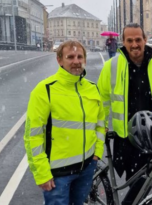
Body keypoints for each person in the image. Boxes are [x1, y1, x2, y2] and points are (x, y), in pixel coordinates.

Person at [97, 23, 152, 204]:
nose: (134, 44)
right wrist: (102, 126)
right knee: (137, 191)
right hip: (129, 139)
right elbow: (102, 101)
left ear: (145, 40)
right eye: (129, 40)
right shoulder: (111, 66)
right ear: (123, 42)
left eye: (138, 39)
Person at [23, 40, 105, 205]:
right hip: (57, 174)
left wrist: (97, 152)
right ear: (59, 60)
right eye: (70, 57)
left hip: (86, 168)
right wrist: (41, 173)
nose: (76, 61)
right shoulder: (45, 90)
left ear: (85, 60)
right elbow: (33, 136)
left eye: (79, 56)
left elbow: (100, 123)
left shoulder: (92, 88)